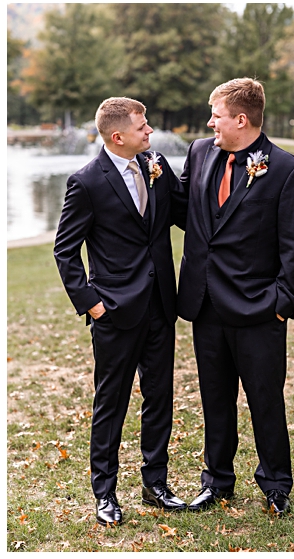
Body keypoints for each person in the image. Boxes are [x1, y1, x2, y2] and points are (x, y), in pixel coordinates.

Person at [173, 78, 294, 515]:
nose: (209, 122)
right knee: (215, 399)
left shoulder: (288, 171)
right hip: (205, 304)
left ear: (241, 119)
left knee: (264, 401)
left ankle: (276, 485)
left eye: (216, 114)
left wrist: (280, 305)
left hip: (258, 310)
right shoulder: (199, 152)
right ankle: (216, 481)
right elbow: (184, 211)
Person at [54, 97, 187, 525]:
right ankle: (105, 493)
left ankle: (156, 484)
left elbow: (185, 213)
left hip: (160, 307)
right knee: (111, 401)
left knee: (159, 397)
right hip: (113, 312)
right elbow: (65, 251)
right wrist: (93, 304)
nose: (150, 132)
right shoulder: (87, 182)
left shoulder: (156, 165)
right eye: (143, 127)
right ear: (118, 136)